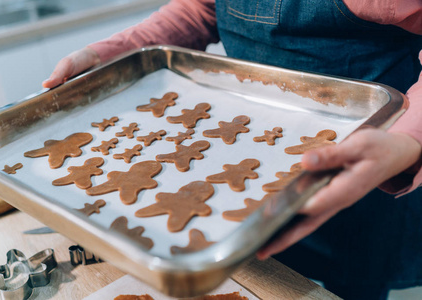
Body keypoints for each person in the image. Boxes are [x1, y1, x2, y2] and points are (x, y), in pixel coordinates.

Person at [43, 1, 422, 299]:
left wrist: (410, 138)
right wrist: (110, 54)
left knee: (351, 285)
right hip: (248, 167)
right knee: (266, 280)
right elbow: (200, 8)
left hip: (366, 168)